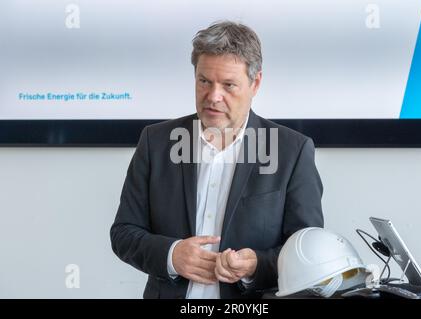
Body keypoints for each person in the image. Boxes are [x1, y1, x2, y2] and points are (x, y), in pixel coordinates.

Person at [110, 21, 324, 299]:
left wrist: (256, 265)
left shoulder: (292, 151)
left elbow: (308, 251)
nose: (213, 97)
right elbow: (124, 232)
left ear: (255, 83)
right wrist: (172, 255)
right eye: (204, 82)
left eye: (228, 85)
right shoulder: (156, 141)